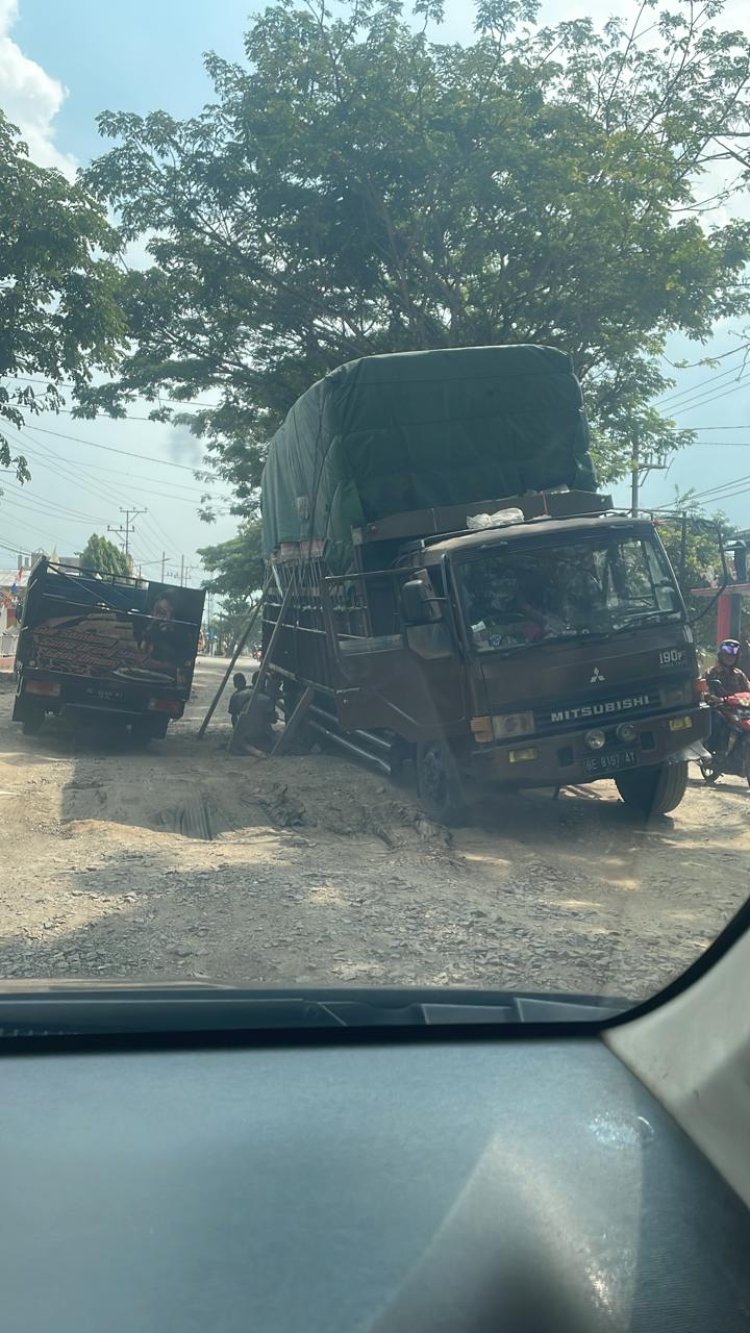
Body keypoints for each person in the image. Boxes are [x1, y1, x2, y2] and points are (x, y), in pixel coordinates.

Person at [704, 639, 750, 756]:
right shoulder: (711, 673)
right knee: (718, 720)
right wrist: (713, 698)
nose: (729, 658)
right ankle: (717, 751)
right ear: (721, 655)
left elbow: (748, 689)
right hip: (720, 708)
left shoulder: (739, 674)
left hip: (740, 708)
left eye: (733, 656)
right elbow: (705, 691)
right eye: (727, 655)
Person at [233, 670, 278, 752]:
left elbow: (233, 716)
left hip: (243, 734)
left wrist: (236, 734)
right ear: (265, 684)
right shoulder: (266, 699)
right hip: (259, 736)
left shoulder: (237, 695)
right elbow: (273, 720)